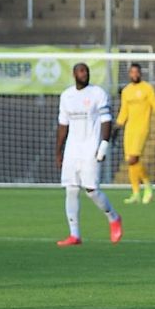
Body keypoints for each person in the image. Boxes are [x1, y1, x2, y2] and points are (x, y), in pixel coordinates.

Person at [55, 63, 123, 247]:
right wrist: (58, 151)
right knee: (71, 189)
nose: (84, 74)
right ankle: (74, 234)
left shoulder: (97, 93)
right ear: (74, 74)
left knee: (92, 191)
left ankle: (114, 217)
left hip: (90, 149)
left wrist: (103, 146)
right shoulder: (66, 96)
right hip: (72, 150)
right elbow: (63, 126)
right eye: (81, 71)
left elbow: (106, 120)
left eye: (86, 71)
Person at [116, 63, 155, 205]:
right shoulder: (126, 91)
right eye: (132, 72)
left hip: (142, 129)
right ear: (129, 74)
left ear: (140, 73)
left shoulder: (147, 88)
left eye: (136, 72)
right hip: (129, 130)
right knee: (131, 162)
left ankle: (148, 187)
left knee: (133, 159)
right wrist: (117, 127)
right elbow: (124, 111)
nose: (134, 74)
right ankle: (136, 193)